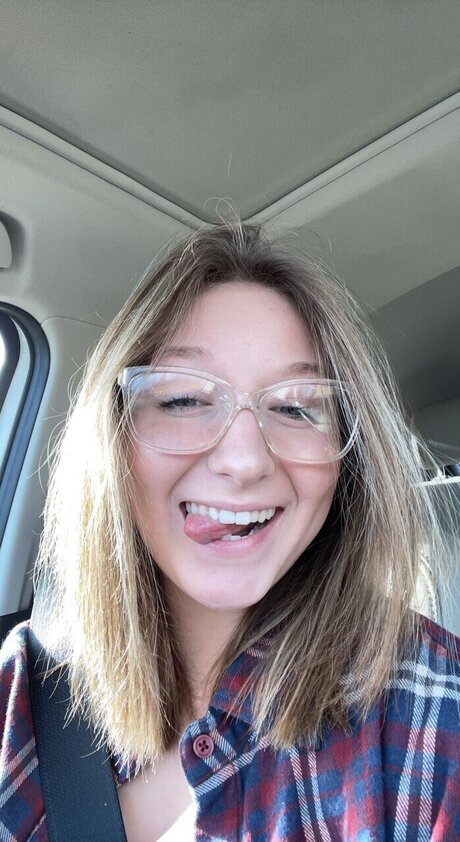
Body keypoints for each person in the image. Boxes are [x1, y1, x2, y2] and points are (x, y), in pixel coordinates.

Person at [1, 223, 459, 841]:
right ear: (113, 434)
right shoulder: (21, 693)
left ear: (348, 458)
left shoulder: (432, 717)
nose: (244, 461)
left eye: (296, 407)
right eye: (183, 400)